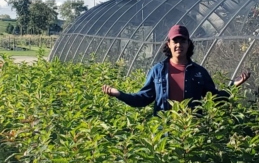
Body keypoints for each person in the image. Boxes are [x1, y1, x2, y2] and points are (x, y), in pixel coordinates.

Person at [102, 24, 250, 111]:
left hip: (191, 132)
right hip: (164, 133)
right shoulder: (158, 71)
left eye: (183, 41)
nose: (179, 45)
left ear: (188, 44)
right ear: (169, 44)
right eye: (175, 41)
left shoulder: (199, 72)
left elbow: (215, 98)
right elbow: (143, 98)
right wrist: (119, 94)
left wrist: (233, 86)